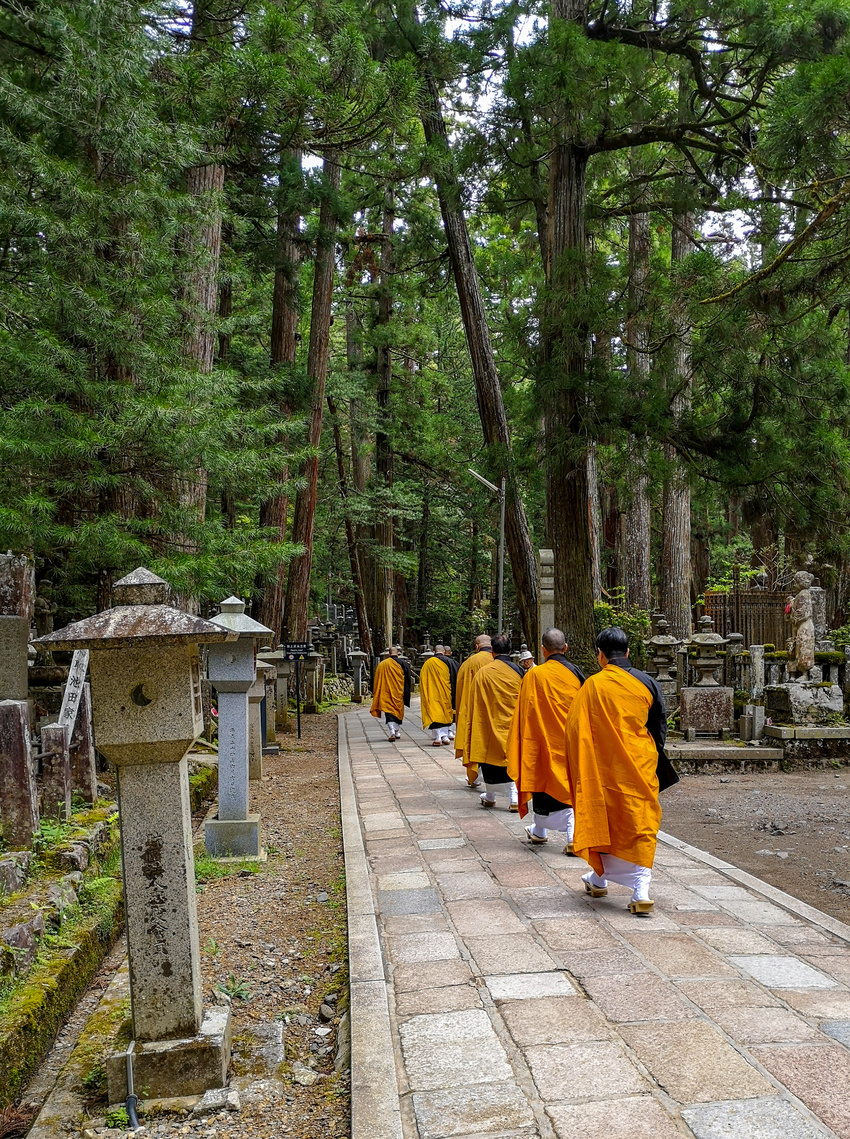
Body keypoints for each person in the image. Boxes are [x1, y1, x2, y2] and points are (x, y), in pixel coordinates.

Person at [565, 626, 666, 915]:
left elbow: (575, 731)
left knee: (604, 820)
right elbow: (659, 730)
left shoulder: (592, 686)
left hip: (603, 768)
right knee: (640, 820)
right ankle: (638, 888)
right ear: (628, 651)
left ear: (600, 655)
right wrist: (647, 757)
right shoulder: (647, 682)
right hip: (639, 765)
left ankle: (600, 878)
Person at [506, 627, 585, 851]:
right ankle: (546, 831)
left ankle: (564, 834)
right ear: (566, 648)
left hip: (543, 742)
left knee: (543, 786)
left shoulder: (533, 675)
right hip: (570, 745)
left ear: (542, 650)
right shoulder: (576, 673)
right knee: (569, 787)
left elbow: (524, 714)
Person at [467, 633, 523, 810]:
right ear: (510, 650)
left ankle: (496, 794)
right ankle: (510, 796)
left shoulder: (483, 673)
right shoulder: (519, 671)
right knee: (512, 757)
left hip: (491, 724)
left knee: (490, 759)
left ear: (492, 651)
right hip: (513, 725)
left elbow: (475, 703)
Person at [454, 634, 493, 787]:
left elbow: (461, 692)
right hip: (494, 711)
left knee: (474, 741)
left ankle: (475, 776)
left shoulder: (468, 663)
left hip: (473, 711)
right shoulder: (498, 662)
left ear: (476, 646)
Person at [369, 647, 412, 741]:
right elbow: (408, 681)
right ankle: (396, 731)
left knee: (389, 713)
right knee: (397, 712)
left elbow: (376, 680)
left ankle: (393, 731)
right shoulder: (404, 664)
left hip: (386, 693)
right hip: (398, 693)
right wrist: (407, 693)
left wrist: (375, 692)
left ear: (388, 654)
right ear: (398, 654)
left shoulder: (382, 664)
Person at [419, 645, 456, 746]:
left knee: (435, 713)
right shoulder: (450, 662)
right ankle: (445, 736)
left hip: (432, 694)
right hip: (446, 694)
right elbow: (456, 676)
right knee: (445, 713)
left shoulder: (428, 663)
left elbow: (422, 680)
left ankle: (438, 737)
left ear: (434, 652)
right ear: (443, 651)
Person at [436, 644, 460, 740]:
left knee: (440, 710)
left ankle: (440, 733)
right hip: (453, 690)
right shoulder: (455, 663)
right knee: (452, 709)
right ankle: (450, 731)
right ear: (450, 653)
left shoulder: (434, 662)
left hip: (438, 691)